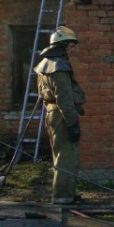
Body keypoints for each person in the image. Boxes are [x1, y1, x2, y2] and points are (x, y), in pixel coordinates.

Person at [34, 26, 86, 204]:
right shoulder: (59, 67)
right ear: (62, 45)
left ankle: (66, 193)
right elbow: (64, 99)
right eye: (71, 45)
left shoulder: (44, 64)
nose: (73, 49)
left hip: (52, 113)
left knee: (61, 155)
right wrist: (72, 123)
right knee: (66, 157)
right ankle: (63, 197)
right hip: (62, 115)